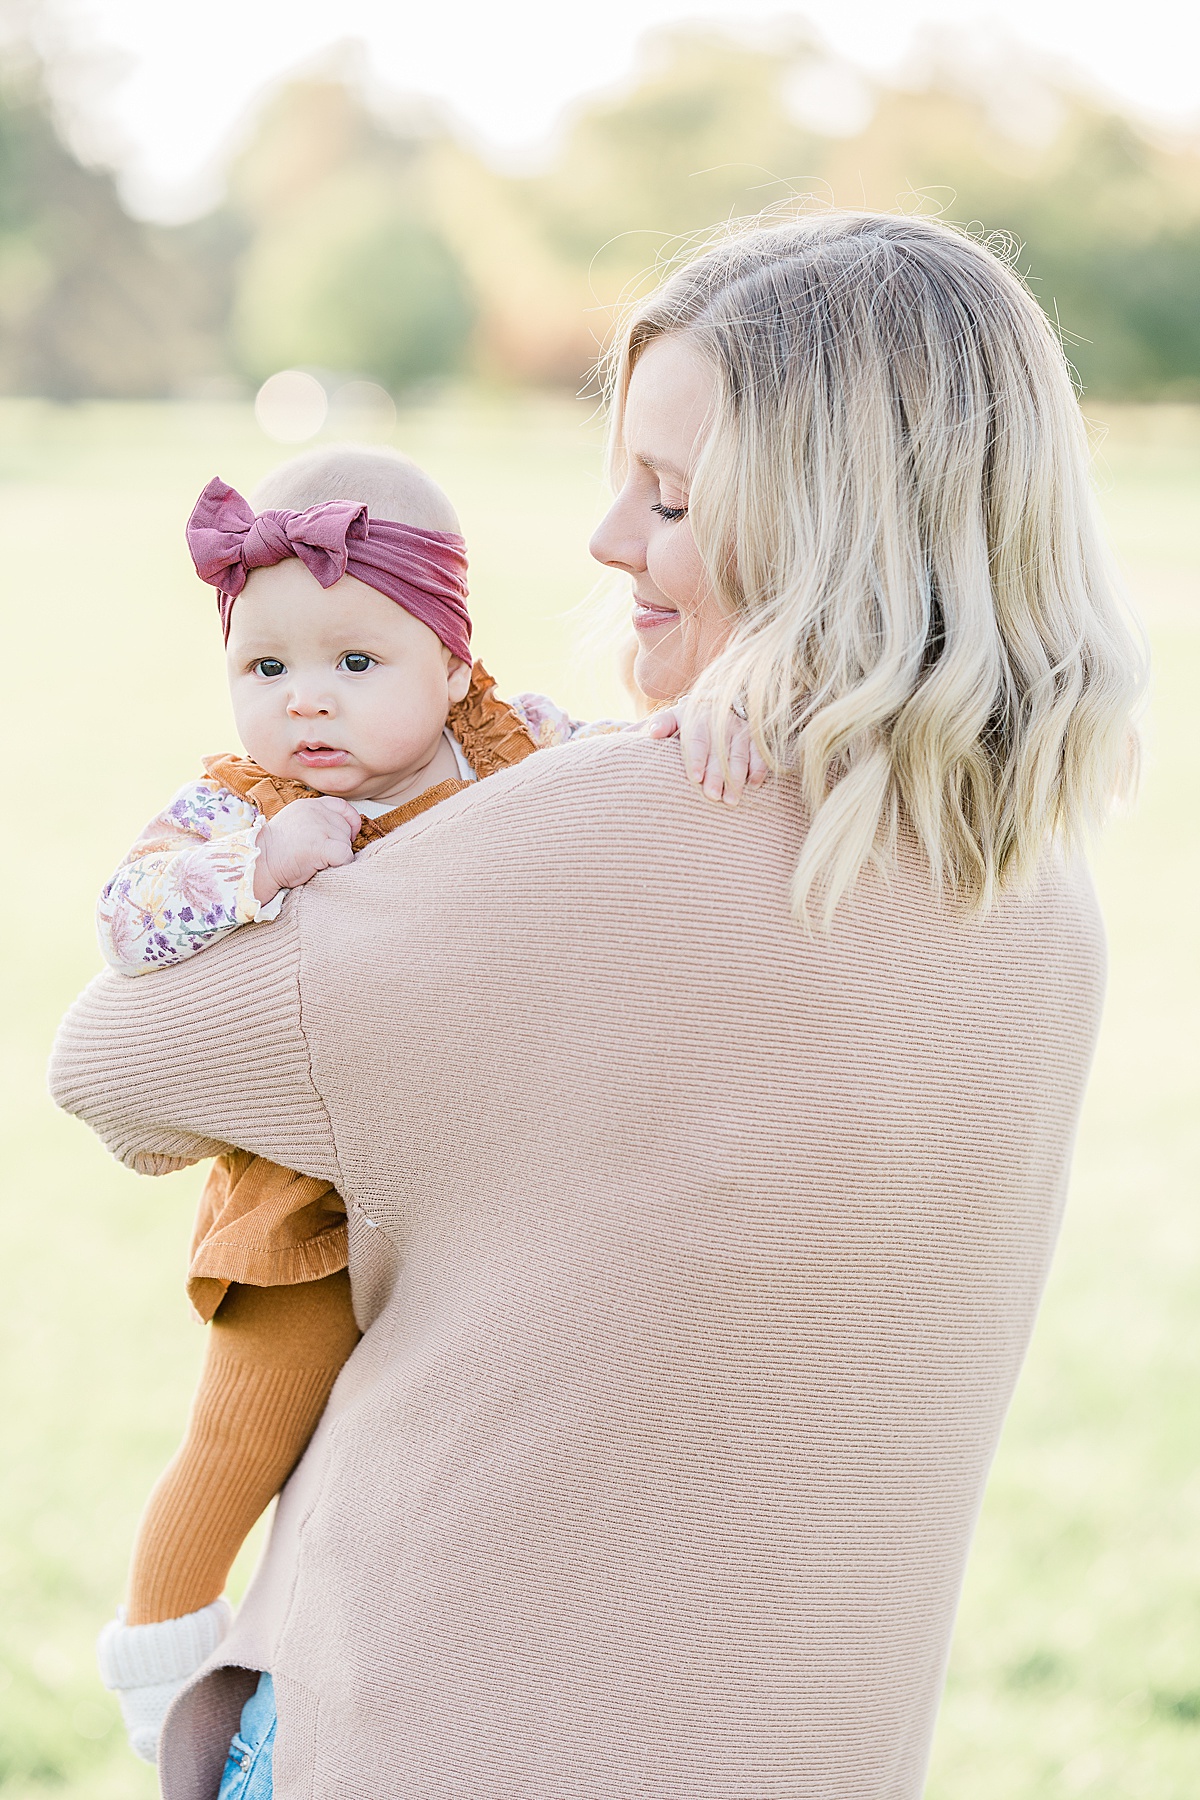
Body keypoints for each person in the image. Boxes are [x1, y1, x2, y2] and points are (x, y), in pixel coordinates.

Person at [51, 210, 1145, 1800]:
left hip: (424, 1744)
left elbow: (120, 1063)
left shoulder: (595, 832)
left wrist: (298, 848)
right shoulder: (1045, 901)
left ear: (825, 529)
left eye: (673, 496)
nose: (609, 538)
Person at [90, 444, 756, 1768]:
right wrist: (253, 870)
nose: (306, 705)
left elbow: (634, 782)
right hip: (305, 1215)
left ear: (453, 664)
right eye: (266, 669)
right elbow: (126, 918)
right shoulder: (239, 804)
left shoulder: (513, 752)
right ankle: (159, 1670)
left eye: (356, 664)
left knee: (409, 1474)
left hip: (478, 1194)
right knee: (241, 1441)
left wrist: (705, 721)